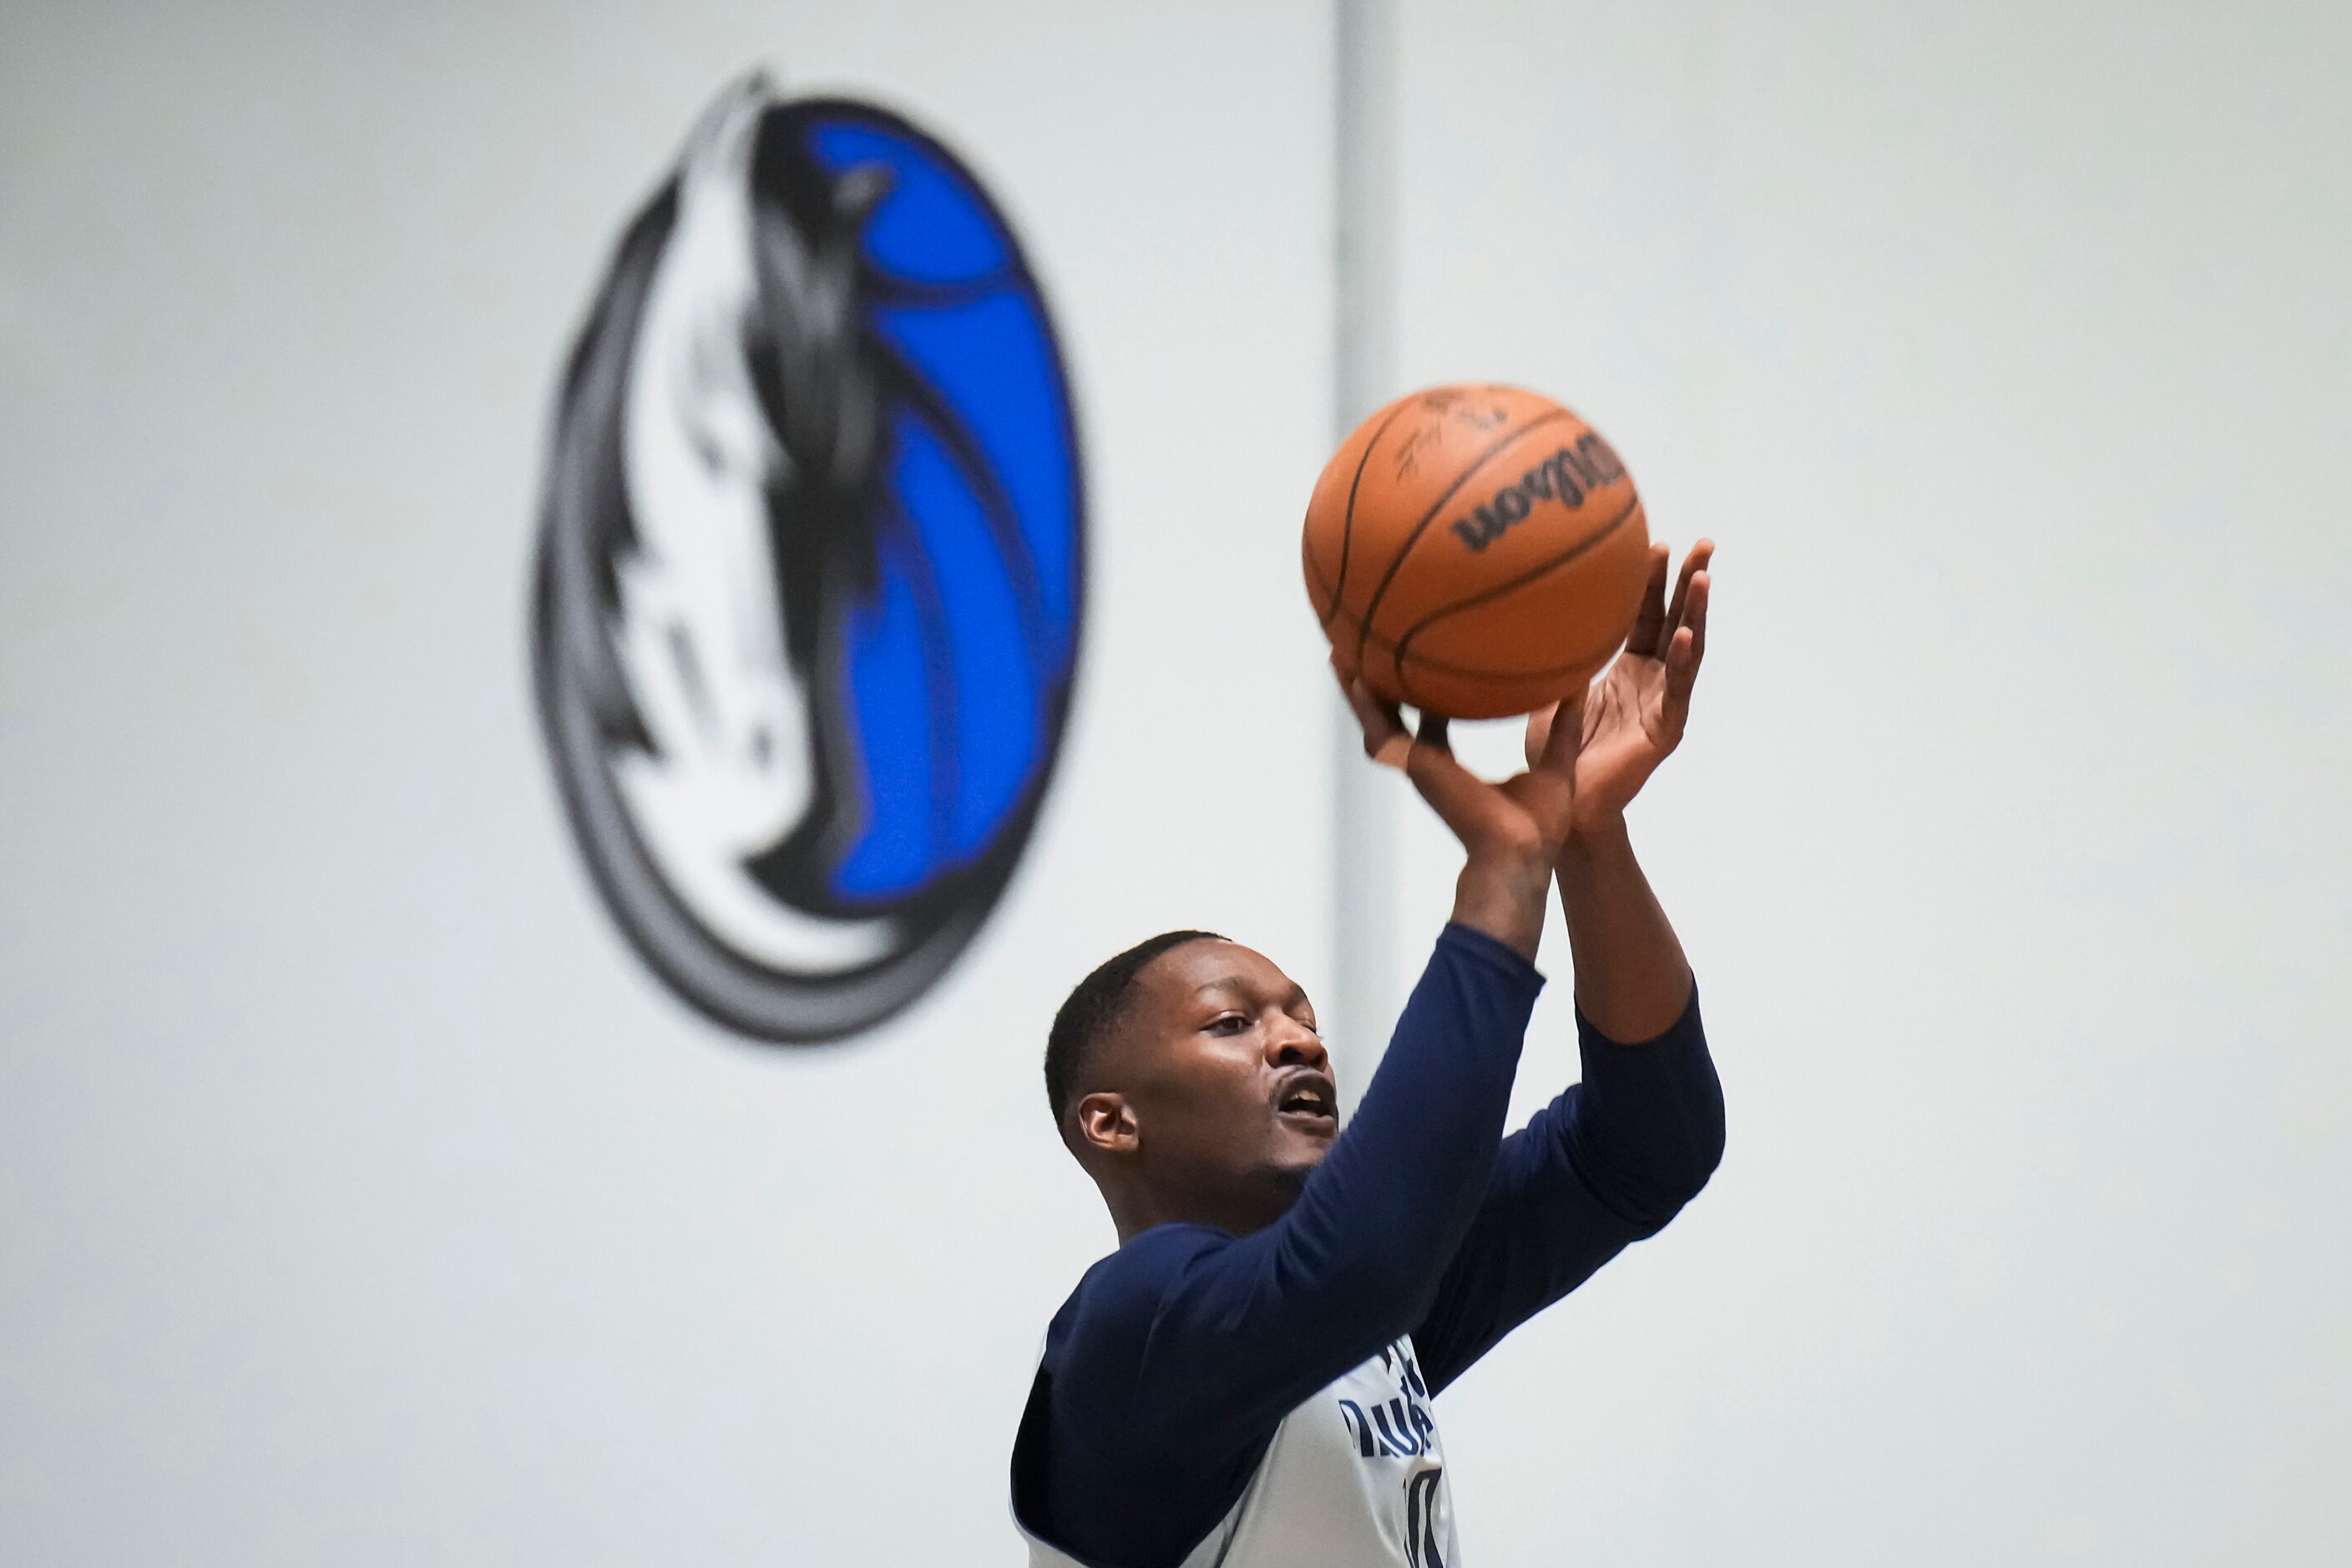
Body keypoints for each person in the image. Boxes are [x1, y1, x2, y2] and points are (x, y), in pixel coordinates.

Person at [1012, 544, 1725, 1567]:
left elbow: (1648, 1147)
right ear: (1112, 1120)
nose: (1298, 1036)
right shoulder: (1136, 1332)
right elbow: (1368, 1259)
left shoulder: (1348, 1325)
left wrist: (1586, 838)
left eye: (1300, 1014)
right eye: (1233, 1023)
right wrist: (1502, 876)